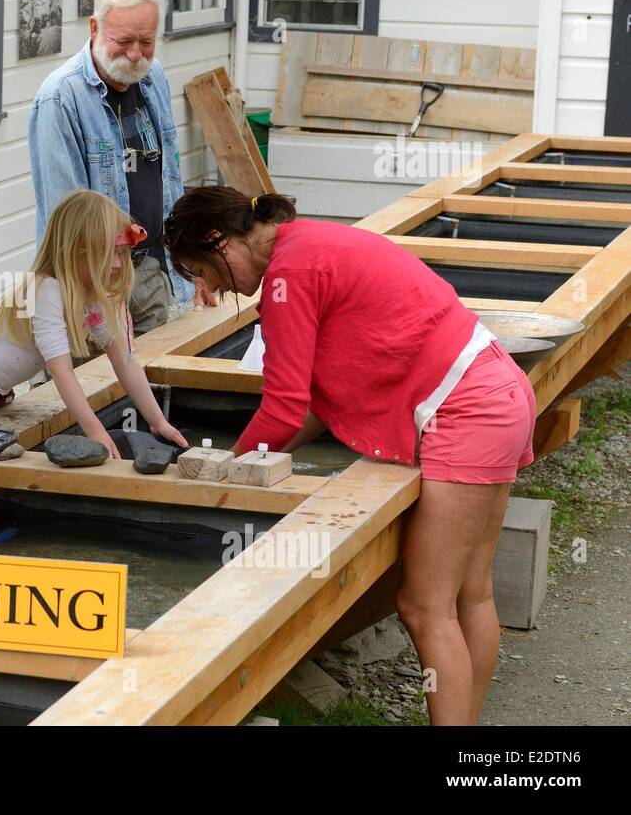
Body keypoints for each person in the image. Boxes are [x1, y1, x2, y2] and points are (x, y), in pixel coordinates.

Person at [162, 186, 537, 726]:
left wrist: (228, 467)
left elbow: (286, 408)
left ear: (218, 240)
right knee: (470, 594)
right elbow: (314, 404)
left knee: (424, 605)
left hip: (466, 412)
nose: (208, 287)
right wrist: (244, 462)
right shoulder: (308, 242)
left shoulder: (288, 276)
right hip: (497, 386)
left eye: (199, 269)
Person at [0, 190, 187, 458]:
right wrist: (96, 432)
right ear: (77, 251)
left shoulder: (89, 296)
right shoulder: (47, 290)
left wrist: (157, 421)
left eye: (121, 254)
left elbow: (124, 360)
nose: (116, 265)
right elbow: (62, 373)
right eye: (108, 254)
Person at [29, 0, 215, 340]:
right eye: (123, 41)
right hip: (90, 286)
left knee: (154, 387)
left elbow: (168, 179)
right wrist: (100, 295)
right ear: (95, 28)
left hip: (150, 270)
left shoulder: (152, 76)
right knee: (93, 389)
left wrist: (190, 262)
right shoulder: (60, 98)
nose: (135, 55)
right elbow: (66, 217)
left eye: (146, 42)